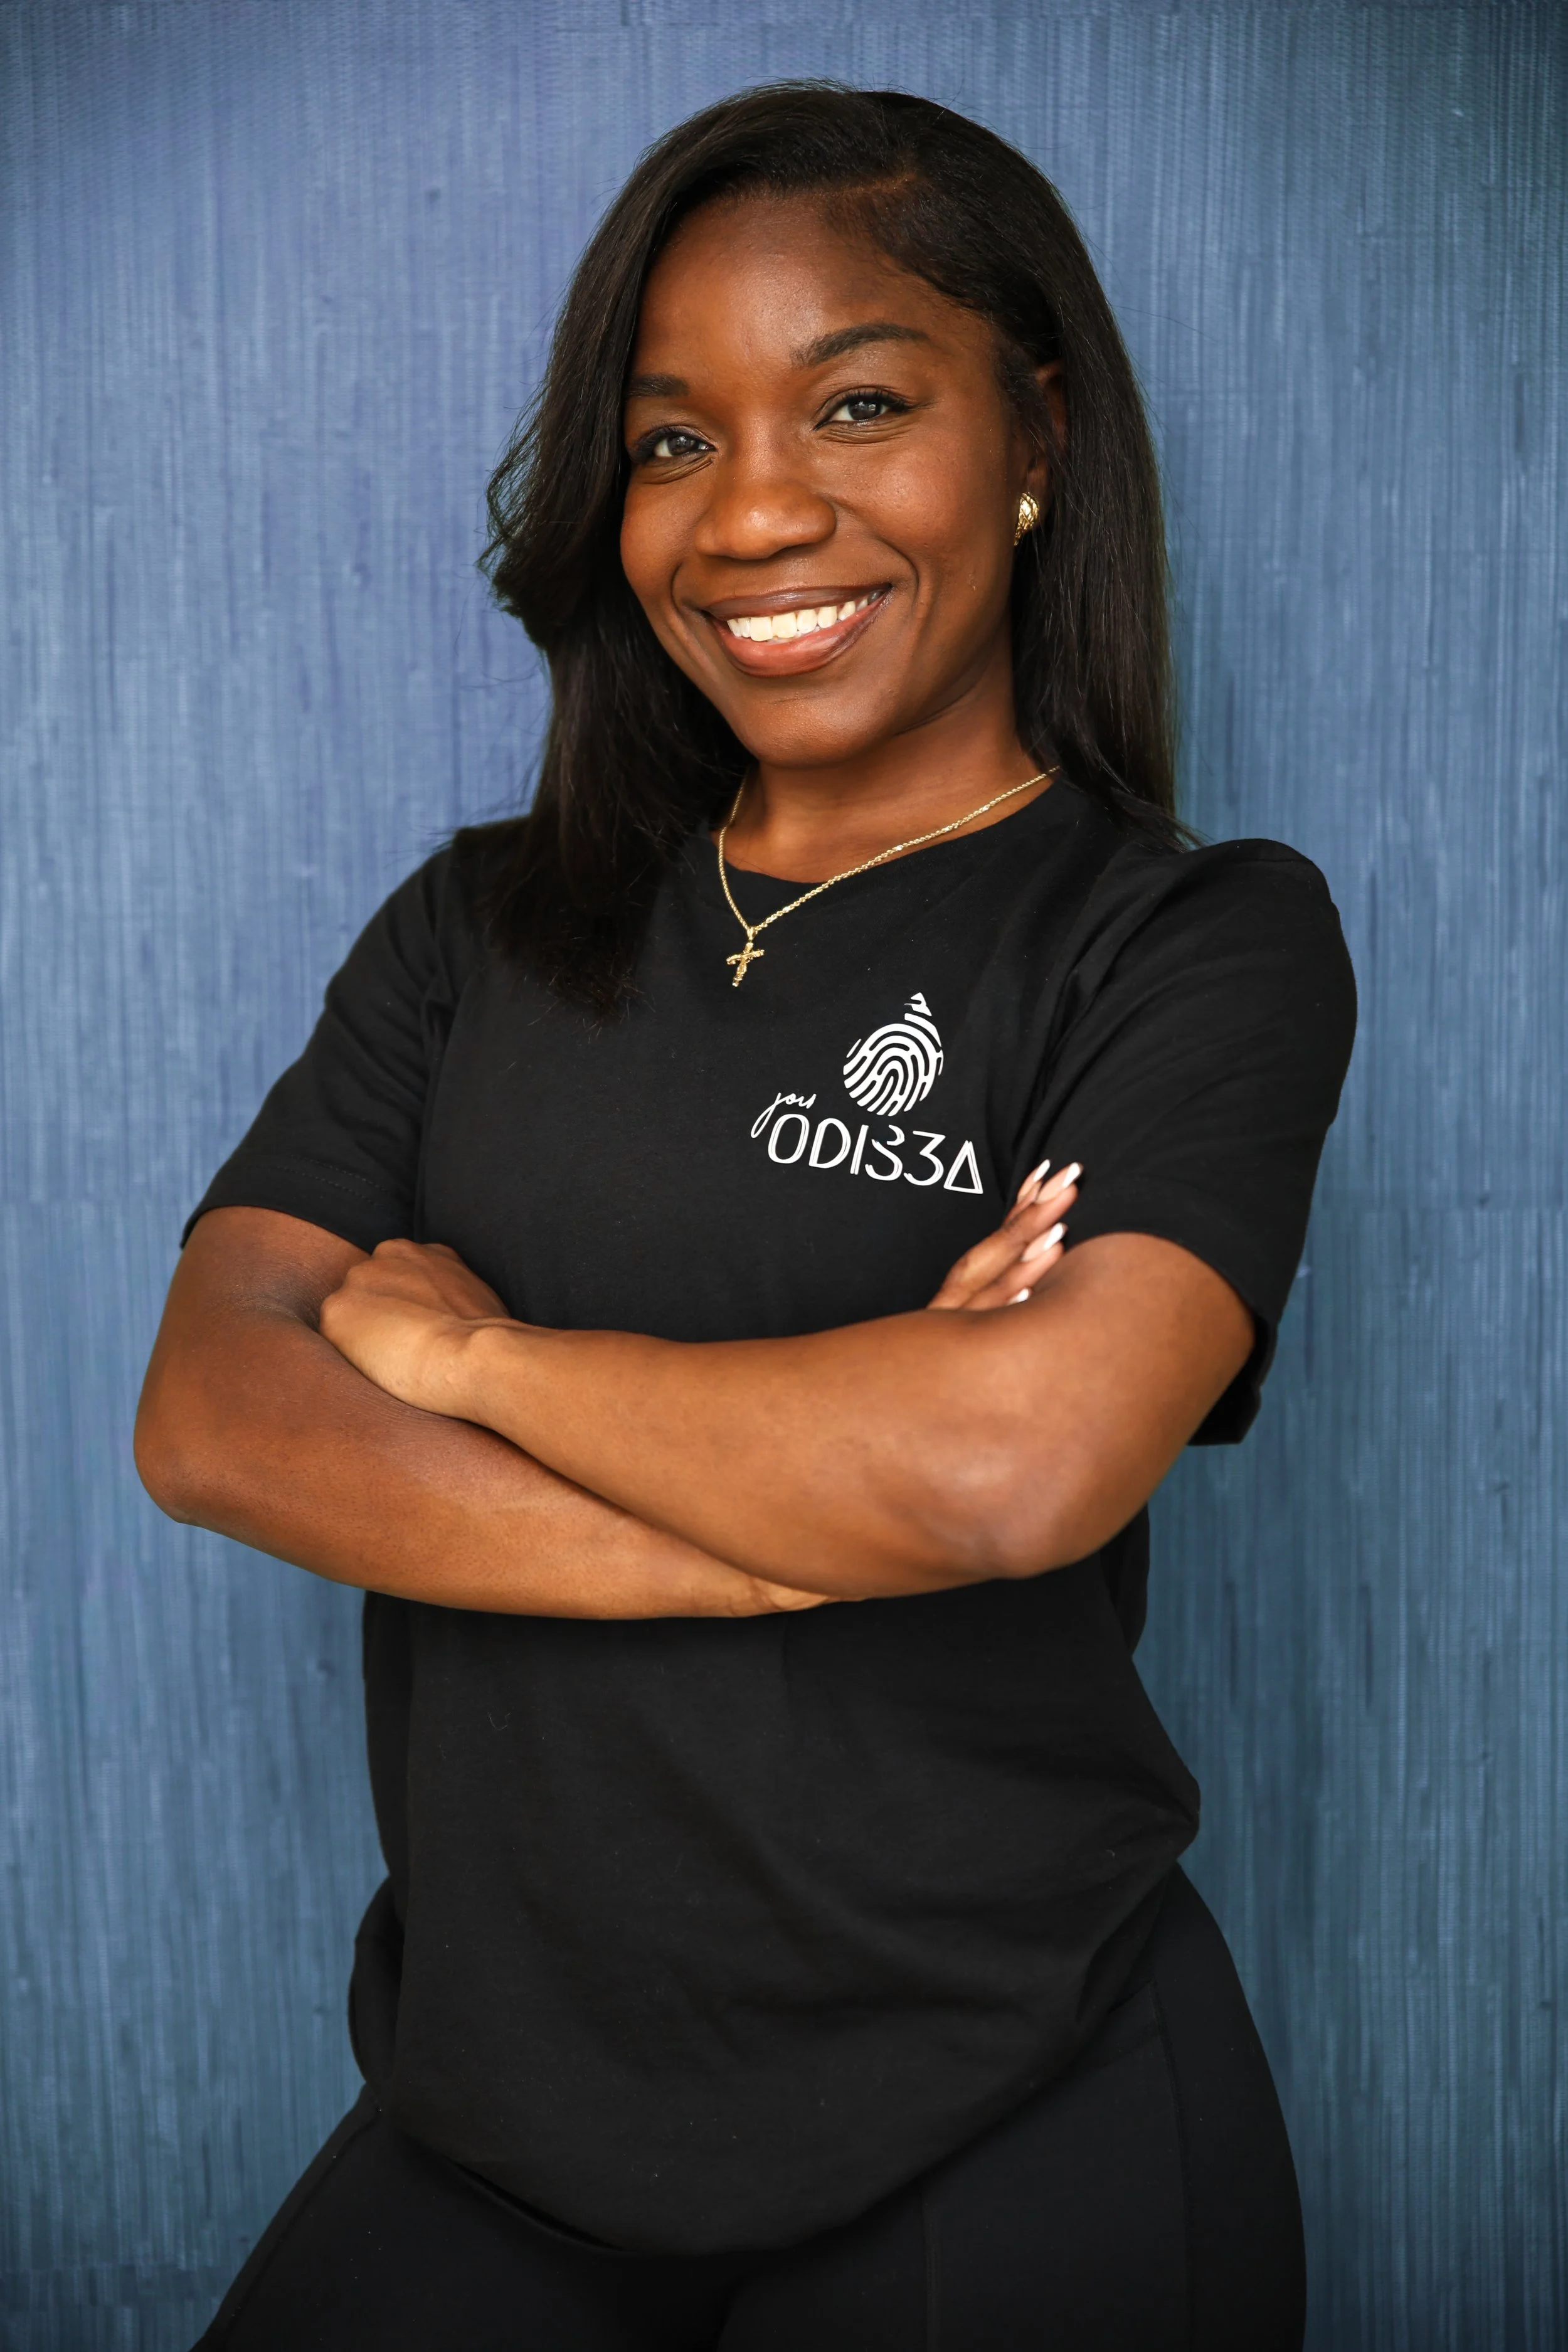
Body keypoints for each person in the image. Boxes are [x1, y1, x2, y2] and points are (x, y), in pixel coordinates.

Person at [135, 83, 1355, 2351]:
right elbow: (216, 1416)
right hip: (494, 2116)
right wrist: (800, 1522)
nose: (756, 512)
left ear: (1034, 437)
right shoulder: (480, 929)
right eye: (672, 439)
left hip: (1009, 2111)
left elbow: (1014, 1465)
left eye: (861, 403)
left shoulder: (1185, 946)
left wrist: (469, 1362)